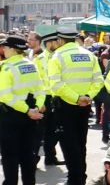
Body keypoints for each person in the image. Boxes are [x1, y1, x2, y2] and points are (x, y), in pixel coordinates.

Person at [46, 27, 102, 185]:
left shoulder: (57, 56)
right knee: (80, 143)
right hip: (84, 107)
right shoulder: (89, 54)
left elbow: (56, 85)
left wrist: (76, 98)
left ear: (60, 40)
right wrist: (87, 97)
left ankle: (74, 179)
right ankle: (81, 177)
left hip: (65, 107)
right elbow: (99, 81)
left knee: (69, 145)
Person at [0, 35, 45, 185]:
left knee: (9, 156)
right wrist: (35, 109)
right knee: (27, 154)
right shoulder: (31, 65)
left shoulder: (6, 67)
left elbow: (5, 96)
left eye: (5, 47)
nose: (3, 50)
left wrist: (27, 110)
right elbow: (40, 90)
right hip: (31, 117)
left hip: (10, 117)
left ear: (13, 50)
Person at [32, 30, 64, 167]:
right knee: (39, 131)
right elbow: (35, 81)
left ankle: (50, 157)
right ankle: (33, 159)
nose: (57, 44)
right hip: (44, 98)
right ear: (48, 43)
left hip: (57, 97)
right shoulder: (39, 60)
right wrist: (39, 102)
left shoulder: (59, 57)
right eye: (55, 42)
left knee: (54, 129)